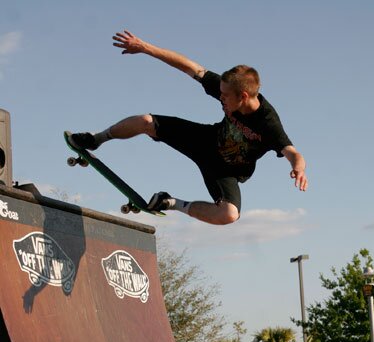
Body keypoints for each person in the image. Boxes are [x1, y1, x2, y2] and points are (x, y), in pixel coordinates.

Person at [68, 29, 308, 226]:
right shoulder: (229, 89)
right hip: (205, 139)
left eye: (225, 96)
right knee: (146, 122)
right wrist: (145, 48)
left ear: (243, 96)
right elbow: (190, 68)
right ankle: (97, 139)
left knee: (229, 215)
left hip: (224, 171)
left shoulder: (268, 122)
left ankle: (171, 203)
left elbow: (292, 152)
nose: (221, 98)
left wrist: (298, 169)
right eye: (221, 93)